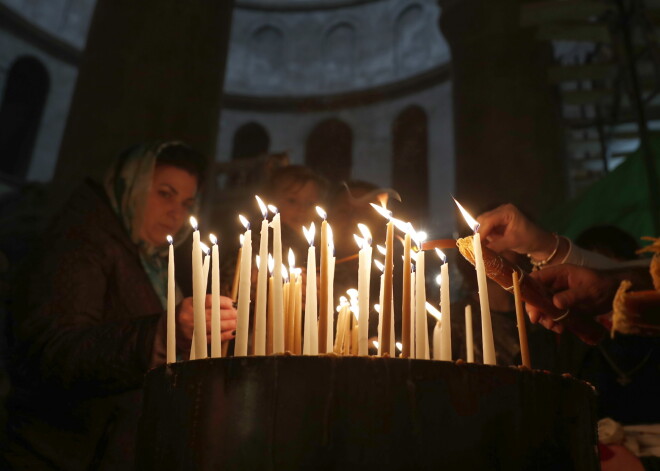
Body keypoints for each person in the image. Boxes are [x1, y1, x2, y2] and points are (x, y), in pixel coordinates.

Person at [3, 141, 237, 470]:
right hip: (60, 456)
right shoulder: (78, 244)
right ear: (130, 184)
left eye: (187, 202)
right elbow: (52, 352)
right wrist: (159, 335)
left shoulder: (152, 260)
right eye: (165, 193)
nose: (176, 212)